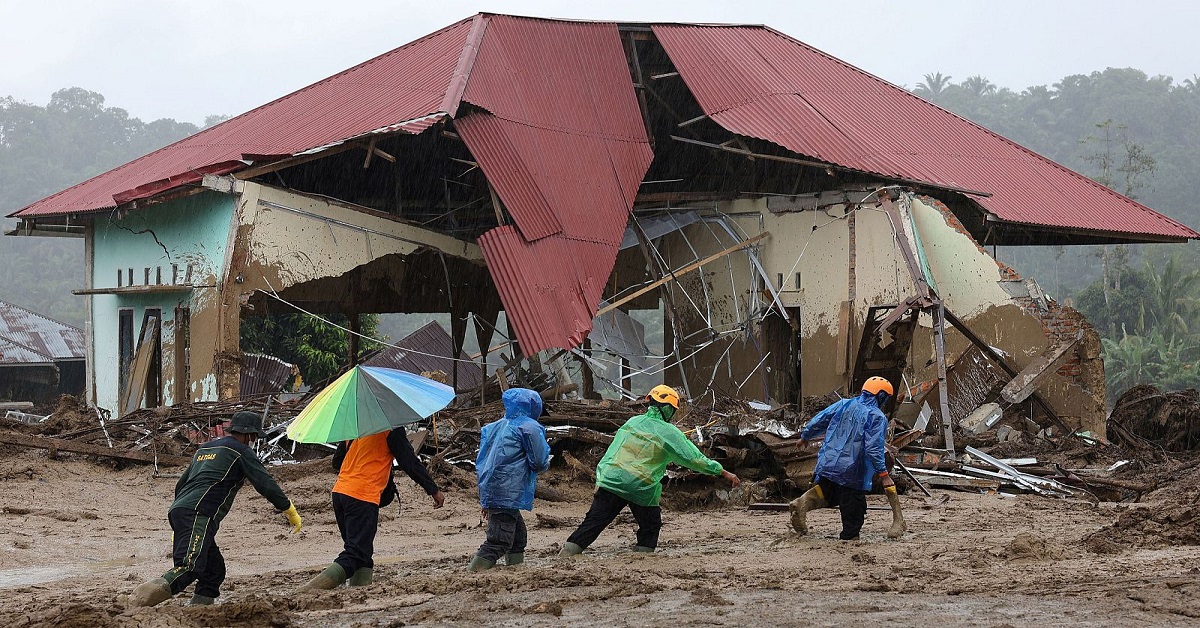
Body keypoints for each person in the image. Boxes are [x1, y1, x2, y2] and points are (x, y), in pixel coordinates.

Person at [130, 411, 302, 607]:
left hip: (180, 509)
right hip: (199, 513)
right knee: (190, 566)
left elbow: (181, 484)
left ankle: (199, 609)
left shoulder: (205, 449)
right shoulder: (241, 451)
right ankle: (137, 601)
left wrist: (179, 523)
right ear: (249, 434)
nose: (254, 441)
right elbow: (265, 483)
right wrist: (288, 509)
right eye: (255, 437)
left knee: (213, 570)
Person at [560, 385, 740, 555]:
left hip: (611, 478)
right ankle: (642, 559)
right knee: (650, 526)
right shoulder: (670, 431)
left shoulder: (633, 421)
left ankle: (567, 554)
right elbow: (695, 459)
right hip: (641, 485)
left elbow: (613, 451)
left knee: (592, 523)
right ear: (668, 409)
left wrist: (602, 478)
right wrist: (723, 472)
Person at [300, 424, 445, 590]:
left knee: (363, 552)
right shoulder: (391, 427)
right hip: (362, 496)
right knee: (355, 554)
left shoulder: (356, 426)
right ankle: (306, 592)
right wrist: (433, 490)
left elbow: (337, 461)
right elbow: (409, 462)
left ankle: (359, 594)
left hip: (340, 493)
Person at [789, 376, 905, 541]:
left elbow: (821, 418)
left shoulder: (844, 404)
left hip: (827, 462)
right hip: (852, 470)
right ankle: (849, 540)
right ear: (881, 396)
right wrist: (884, 474)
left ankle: (802, 503)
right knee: (854, 508)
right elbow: (873, 448)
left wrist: (805, 436)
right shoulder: (876, 416)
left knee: (828, 494)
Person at [468, 388, 551, 571]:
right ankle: (472, 574)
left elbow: (482, 461)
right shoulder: (529, 427)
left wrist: (485, 497)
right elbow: (538, 462)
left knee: (517, 538)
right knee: (499, 540)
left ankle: (515, 572)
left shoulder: (493, 427)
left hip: (491, 487)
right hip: (508, 490)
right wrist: (547, 460)